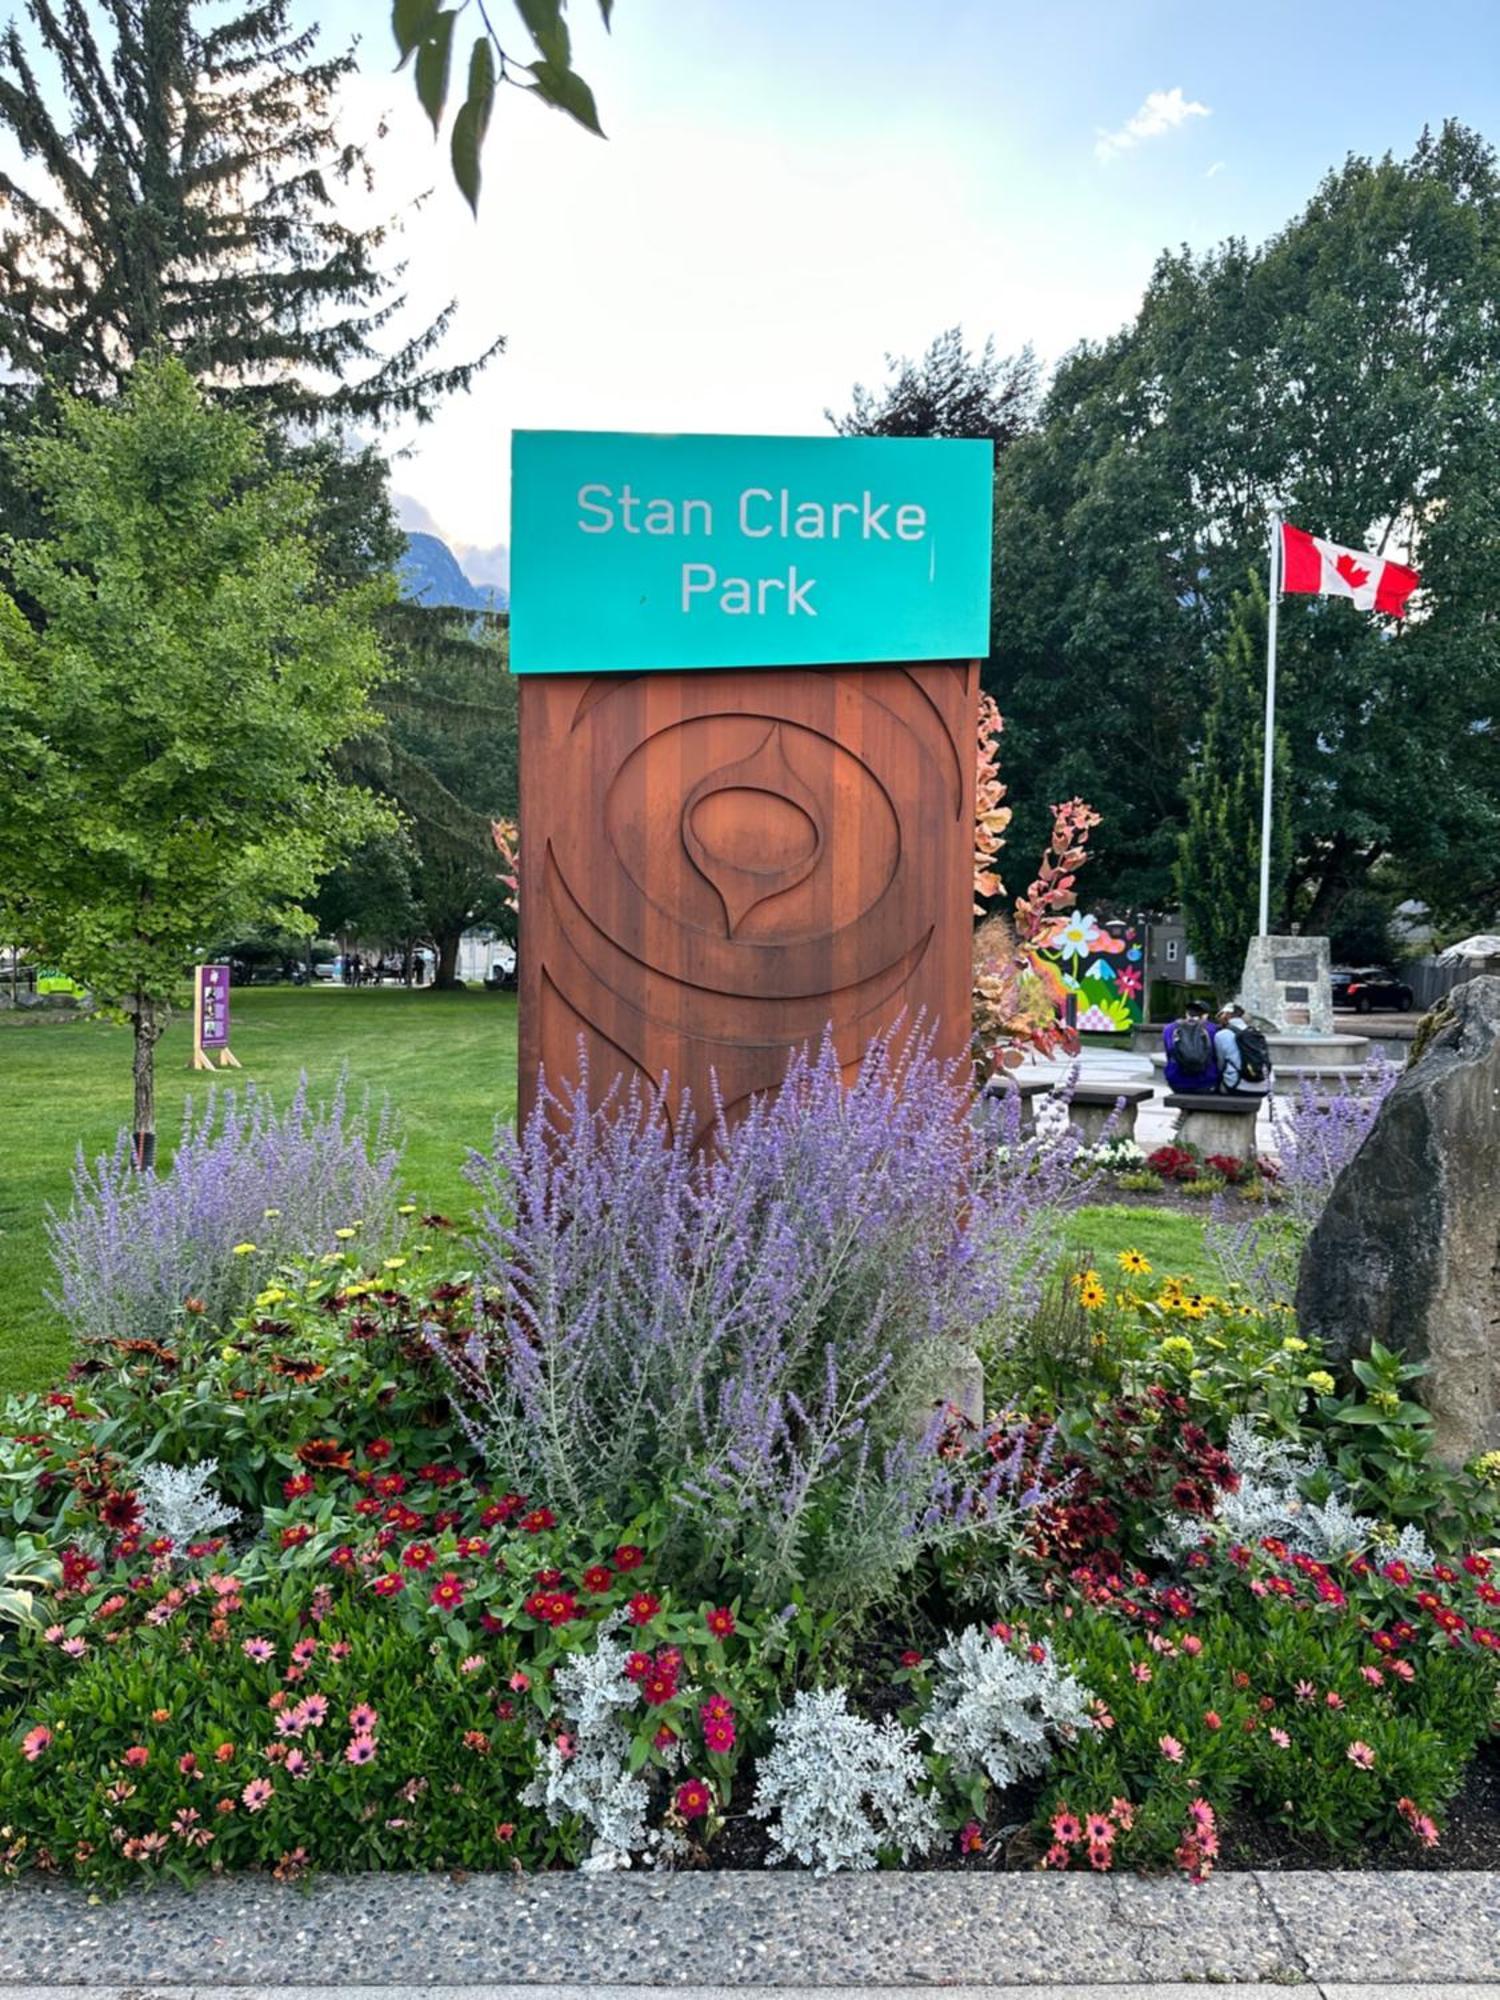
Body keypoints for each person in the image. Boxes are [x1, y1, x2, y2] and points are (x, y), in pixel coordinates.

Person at [1214, 1003, 1274, 1096]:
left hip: (1236, 1086)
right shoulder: (1255, 1033)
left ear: (1226, 1014)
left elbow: (1220, 1065)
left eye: (1220, 1014)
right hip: (1265, 1087)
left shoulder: (1221, 1035)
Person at [1162, 998, 1219, 1093]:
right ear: (1205, 1015)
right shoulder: (1213, 1030)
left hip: (1176, 1081)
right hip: (1206, 1081)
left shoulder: (1169, 1029)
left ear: (1186, 1013)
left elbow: (1169, 1053)